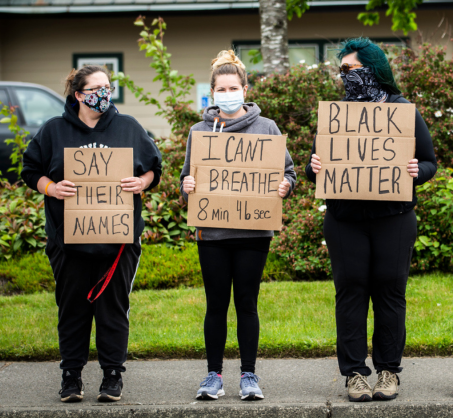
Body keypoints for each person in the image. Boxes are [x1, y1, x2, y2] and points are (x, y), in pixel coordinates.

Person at [305, 38, 437, 402]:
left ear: (372, 69)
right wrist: (312, 166)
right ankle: (354, 375)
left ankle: (388, 372)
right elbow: (313, 165)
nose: (344, 76)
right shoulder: (337, 115)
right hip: (345, 220)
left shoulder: (402, 111)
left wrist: (417, 169)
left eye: (350, 69)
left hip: (393, 219)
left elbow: (429, 161)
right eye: (342, 70)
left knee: (390, 293)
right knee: (350, 294)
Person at [21, 65, 162, 403]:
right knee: (72, 309)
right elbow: (31, 171)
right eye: (96, 88)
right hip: (68, 242)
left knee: (114, 308)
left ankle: (112, 376)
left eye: (108, 87)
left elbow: (154, 169)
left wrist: (140, 182)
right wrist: (53, 189)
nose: (104, 93)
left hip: (117, 244)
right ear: (79, 94)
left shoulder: (128, 127)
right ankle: (71, 377)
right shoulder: (54, 131)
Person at [180, 50, 296, 401]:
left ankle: (249, 375)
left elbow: (288, 173)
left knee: (247, 302)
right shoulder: (199, 131)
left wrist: (285, 185)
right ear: (212, 93)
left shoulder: (267, 128)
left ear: (245, 89)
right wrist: (186, 187)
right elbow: (189, 179)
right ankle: (213, 375)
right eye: (221, 88)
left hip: (253, 233)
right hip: (212, 234)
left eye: (234, 87)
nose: (227, 93)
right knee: (216, 304)